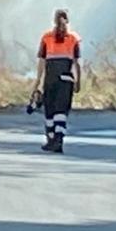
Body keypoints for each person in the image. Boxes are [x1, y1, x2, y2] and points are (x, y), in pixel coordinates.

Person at [32, 9, 81, 154]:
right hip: (66, 79)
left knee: (50, 110)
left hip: (51, 78)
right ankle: (59, 139)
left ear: (54, 20)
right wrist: (78, 82)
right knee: (62, 111)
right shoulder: (73, 38)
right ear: (68, 20)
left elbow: (42, 62)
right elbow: (76, 63)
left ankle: (51, 138)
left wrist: (38, 81)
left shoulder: (46, 38)